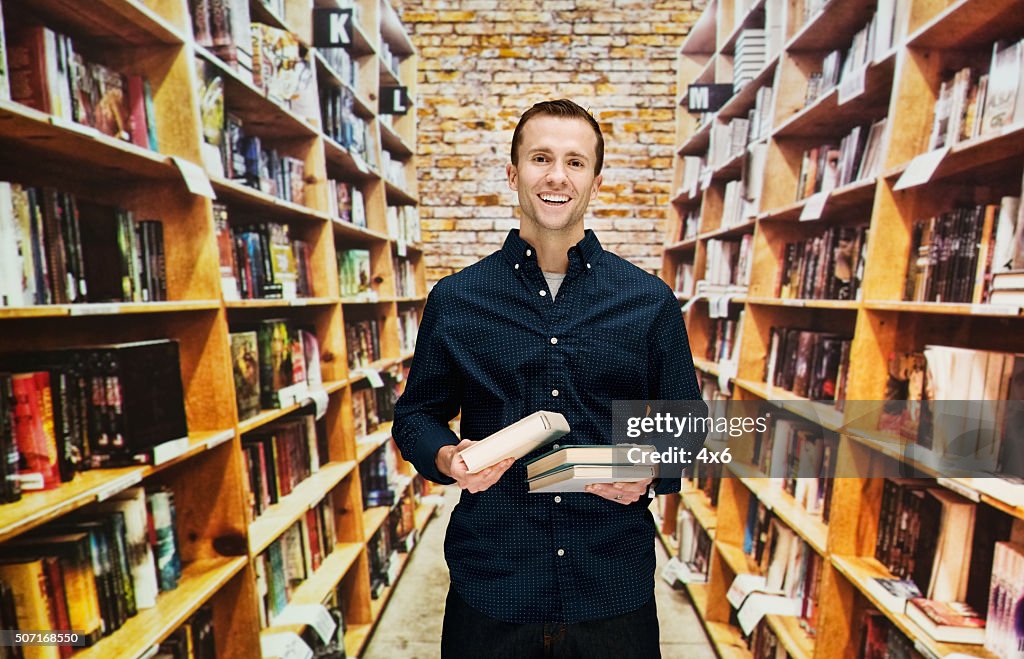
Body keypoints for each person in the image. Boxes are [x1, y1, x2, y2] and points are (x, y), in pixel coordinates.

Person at [392, 99, 706, 658]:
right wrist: (448, 459)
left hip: (612, 588)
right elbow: (416, 415)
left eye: (575, 162)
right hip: (493, 583)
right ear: (513, 174)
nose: (557, 176)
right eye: (540, 158)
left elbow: (687, 426)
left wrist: (651, 470)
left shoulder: (649, 301)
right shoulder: (458, 300)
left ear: (596, 180)